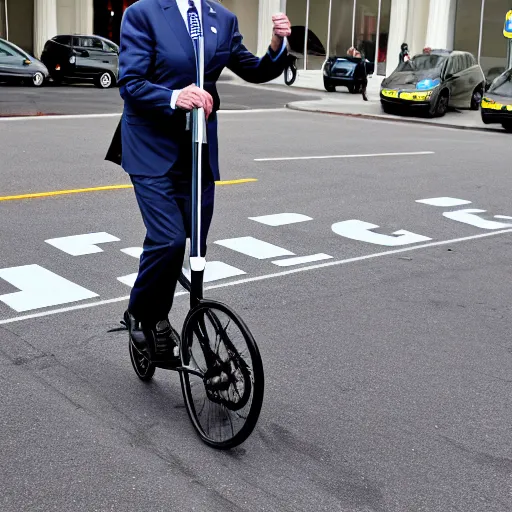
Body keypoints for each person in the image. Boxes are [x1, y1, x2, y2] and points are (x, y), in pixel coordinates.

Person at [113, 0, 291, 362]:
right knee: (168, 238)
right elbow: (130, 83)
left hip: (198, 150)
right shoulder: (143, 13)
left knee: (194, 246)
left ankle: (165, 318)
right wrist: (175, 96)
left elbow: (254, 70)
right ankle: (141, 313)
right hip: (150, 147)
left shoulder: (222, 19)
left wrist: (276, 46)